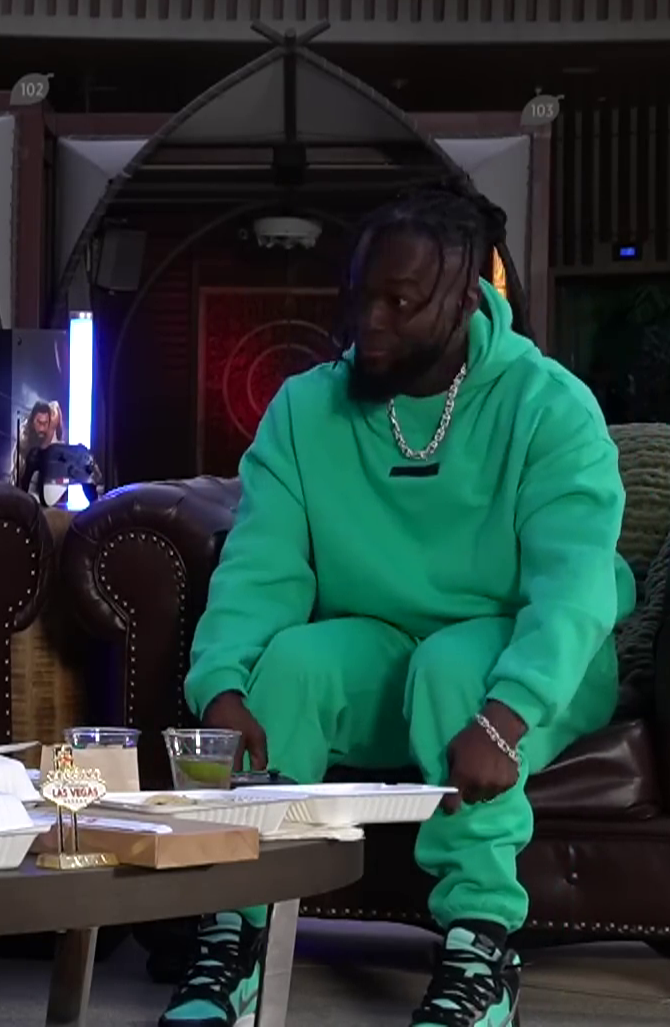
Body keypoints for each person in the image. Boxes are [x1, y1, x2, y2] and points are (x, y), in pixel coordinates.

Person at [159, 186, 630, 1027]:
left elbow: (573, 587)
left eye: (400, 303)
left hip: (531, 658)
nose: (369, 323)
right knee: (292, 664)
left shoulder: (548, 404)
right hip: (383, 644)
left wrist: (508, 716)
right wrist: (223, 686)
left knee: (452, 666)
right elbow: (261, 566)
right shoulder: (306, 408)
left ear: (464, 298)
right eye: (361, 296)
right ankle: (237, 931)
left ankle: (482, 947)